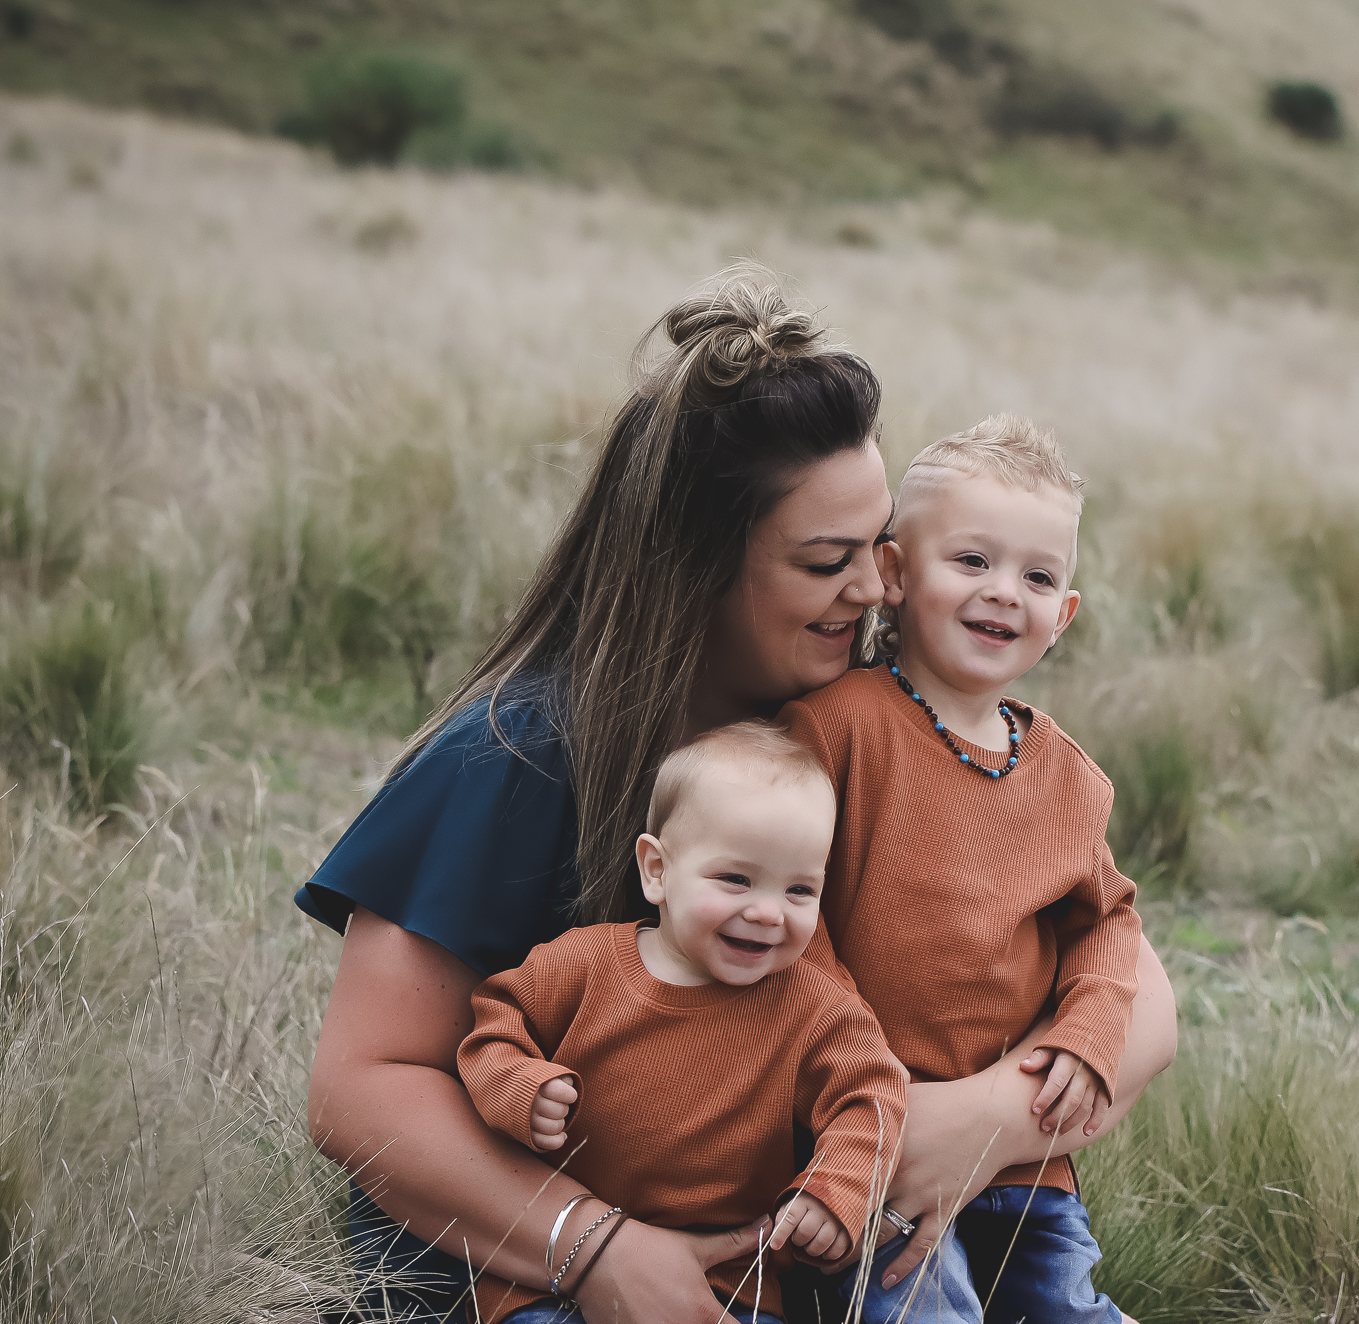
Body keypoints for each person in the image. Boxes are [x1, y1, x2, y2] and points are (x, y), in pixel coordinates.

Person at [297, 263, 1178, 1324]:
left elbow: (1142, 1001)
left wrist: (976, 1119)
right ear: (696, 563)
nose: (870, 591)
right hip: (517, 1281)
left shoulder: (857, 728)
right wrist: (598, 1250)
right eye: (824, 562)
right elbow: (361, 1087)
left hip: (791, 1268)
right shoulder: (518, 754)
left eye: (878, 551)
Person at [782, 414, 1138, 1322]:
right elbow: (797, 910)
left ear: (1063, 617)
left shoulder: (1065, 773)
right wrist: (855, 1064)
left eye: (1037, 576)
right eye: (972, 561)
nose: (1003, 594)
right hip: (870, 1136)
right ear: (894, 574)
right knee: (921, 1310)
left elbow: (1104, 919)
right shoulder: (840, 727)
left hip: (1024, 1158)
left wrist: (1091, 1030)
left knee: (1064, 1307)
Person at [457, 723, 906, 1324]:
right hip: (553, 1278)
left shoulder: (819, 1010)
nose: (769, 912)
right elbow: (493, 1025)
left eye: (800, 890)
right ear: (657, 871)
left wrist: (836, 1192)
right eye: (736, 879)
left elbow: (873, 1095)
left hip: (727, 1282)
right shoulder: (581, 966)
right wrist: (517, 1087)